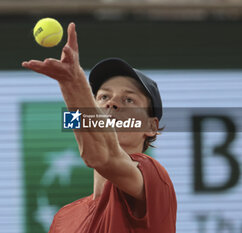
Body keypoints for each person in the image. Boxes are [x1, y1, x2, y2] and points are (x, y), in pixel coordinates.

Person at [22, 23, 177, 233]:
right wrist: (71, 87)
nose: (112, 103)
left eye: (129, 100)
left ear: (151, 126)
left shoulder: (153, 178)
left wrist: (72, 83)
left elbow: (100, 156)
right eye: (104, 96)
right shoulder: (63, 218)